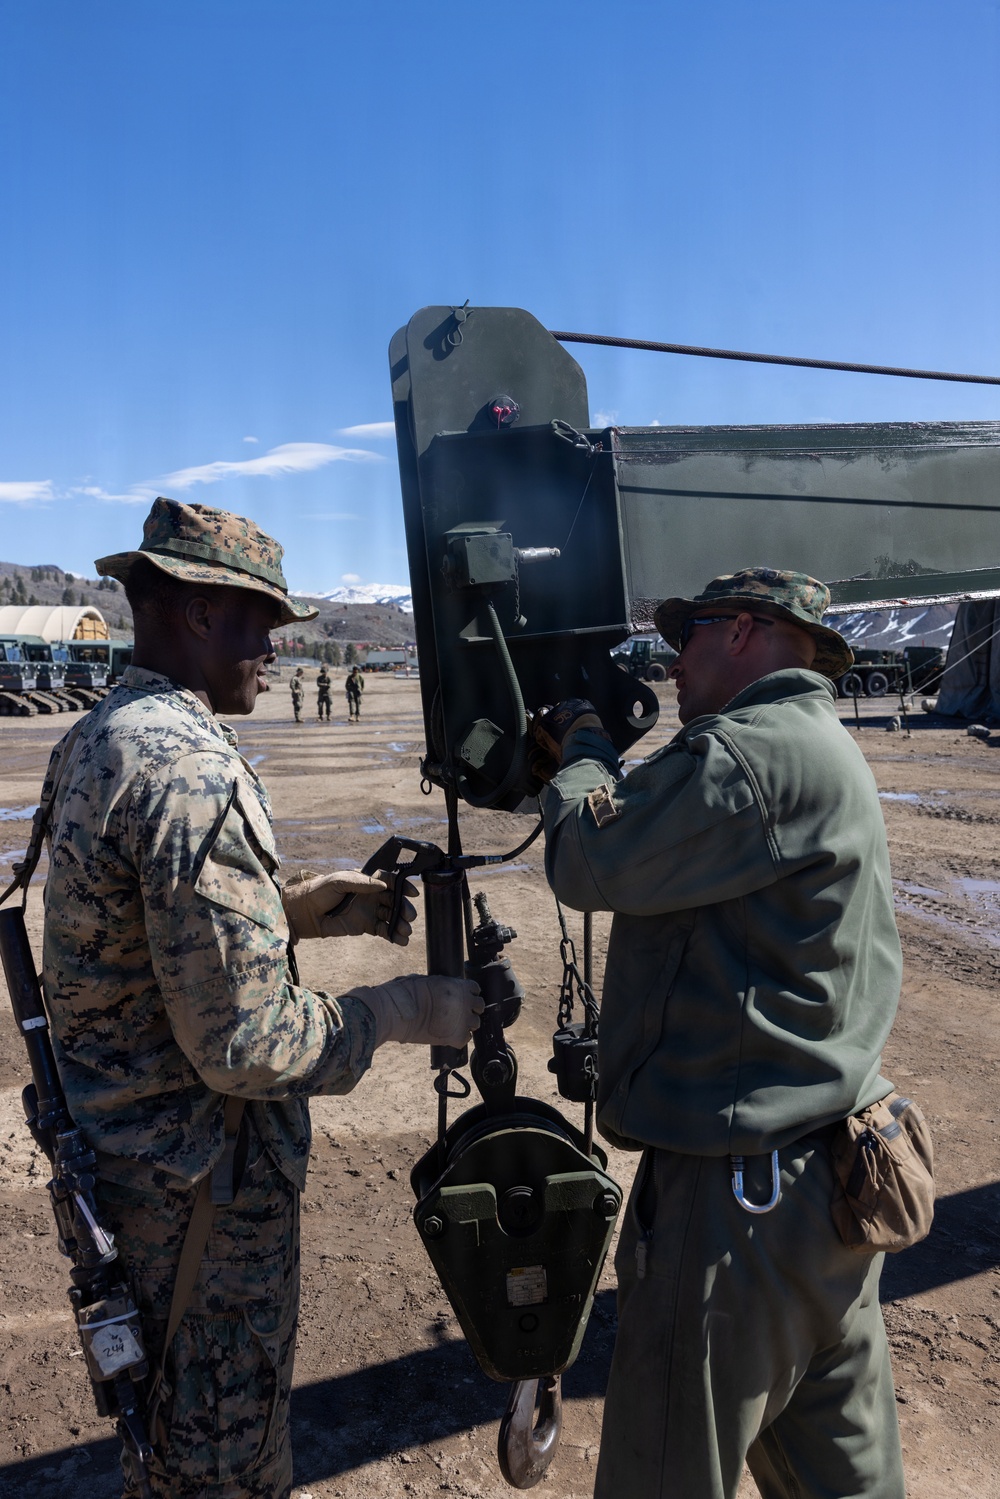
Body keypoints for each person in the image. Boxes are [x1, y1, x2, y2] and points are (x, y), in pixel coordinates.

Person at [41, 496, 482, 1499]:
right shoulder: (192, 767)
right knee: (220, 1471)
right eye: (259, 624)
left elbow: (134, 935)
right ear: (198, 611)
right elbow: (248, 1043)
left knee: (164, 1448)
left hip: (133, 1176)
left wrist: (299, 911)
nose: (272, 652)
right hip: (197, 1203)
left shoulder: (107, 733)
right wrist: (406, 1009)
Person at [533, 568, 906, 1499]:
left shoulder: (748, 754)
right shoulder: (821, 742)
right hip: (833, 1191)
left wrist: (581, 749)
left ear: (743, 631)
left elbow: (588, 855)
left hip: (735, 1213)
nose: (673, 660)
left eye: (687, 635)